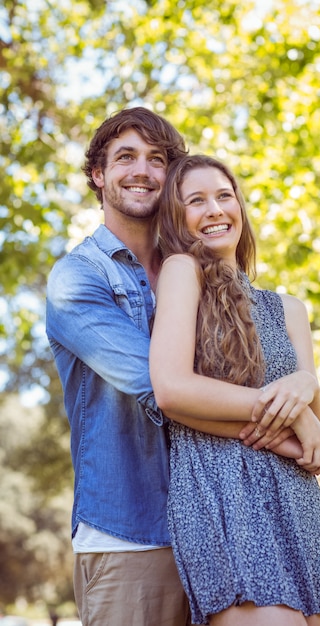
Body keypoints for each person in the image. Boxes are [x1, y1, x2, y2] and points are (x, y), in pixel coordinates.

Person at [149, 154, 320, 626]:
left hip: (299, 506)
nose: (215, 209)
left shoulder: (289, 309)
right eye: (195, 201)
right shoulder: (183, 271)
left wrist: (305, 384)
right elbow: (172, 389)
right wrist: (289, 411)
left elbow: (319, 445)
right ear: (177, 219)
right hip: (224, 496)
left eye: (224, 195)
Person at [45, 106, 191, 626]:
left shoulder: (196, 273)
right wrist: (289, 425)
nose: (143, 171)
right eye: (125, 157)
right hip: (131, 535)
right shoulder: (77, 279)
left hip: (216, 528)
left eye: (157, 159)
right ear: (98, 175)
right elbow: (166, 388)